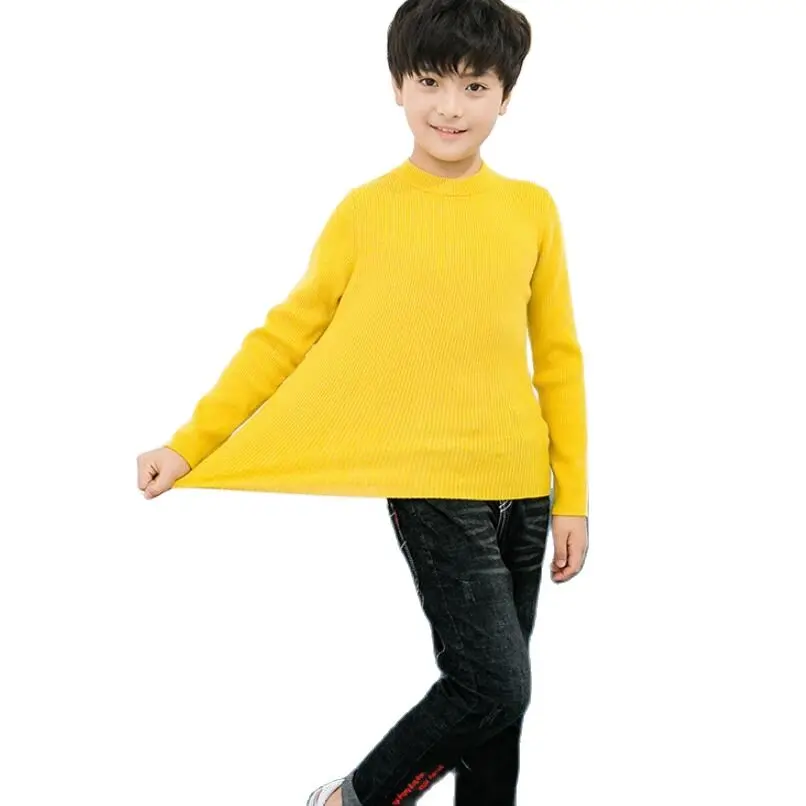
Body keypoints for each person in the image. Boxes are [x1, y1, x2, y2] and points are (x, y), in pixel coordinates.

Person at [136, 0, 589, 803]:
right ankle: (352, 799)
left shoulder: (532, 209)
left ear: (506, 97)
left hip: (524, 486)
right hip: (432, 486)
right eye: (430, 82)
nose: (450, 107)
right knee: (492, 683)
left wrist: (572, 497)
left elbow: (558, 358)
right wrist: (190, 443)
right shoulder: (366, 212)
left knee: (498, 712)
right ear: (397, 86)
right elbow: (286, 336)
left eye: (475, 86)